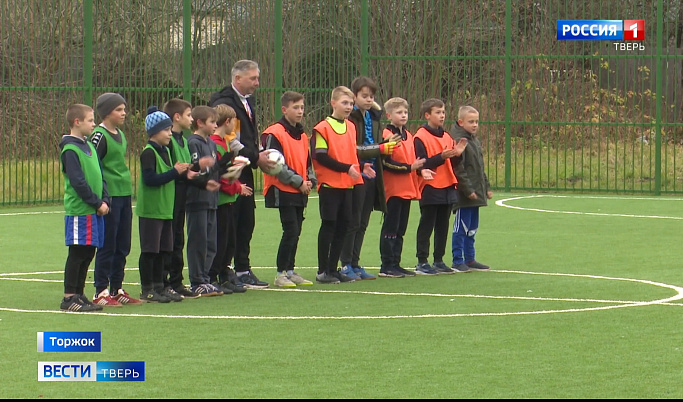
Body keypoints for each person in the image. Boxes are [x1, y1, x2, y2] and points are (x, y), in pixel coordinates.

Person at [209, 59, 277, 288]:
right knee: (231, 224)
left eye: (258, 77)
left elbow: (246, 136)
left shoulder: (247, 101)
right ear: (238, 78)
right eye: (253, 78)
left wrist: (258, 151)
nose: (258, 82)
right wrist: (257, 157)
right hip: (232, 169)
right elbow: (232, 141)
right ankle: (225, 271)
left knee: (246, 222)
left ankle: (241, 269)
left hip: (245, 166)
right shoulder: (223, 103)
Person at [340, 76, 400, 281]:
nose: (368, 100)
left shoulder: (371, 117)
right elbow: (352, 149)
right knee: (353, 221)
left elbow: (378, 112)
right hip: (357, 174)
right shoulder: (351, 117)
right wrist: (380, 148)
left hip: (373, 173)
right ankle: (345, 263)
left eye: (371, 96)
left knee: (363, 222)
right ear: (353, 96)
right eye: (364, 96)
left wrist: (383, 145)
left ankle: (355, 263)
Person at [312, 86, 374, 284]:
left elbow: (350, 155)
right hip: (330, 186)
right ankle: (323, 270)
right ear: (333, 103)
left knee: (343, 226)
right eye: (344, 103)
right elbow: (321, 157)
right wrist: (347, 168)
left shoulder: (351, 127)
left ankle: (333, 268)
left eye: (350, 103)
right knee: (329, 226)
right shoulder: (323, 127)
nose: (348, 107)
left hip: (347, 185)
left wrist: (361, 166)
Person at [90, 93, 141, 306]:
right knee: (107, 244)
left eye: (124, 109)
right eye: (119, 109)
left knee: (123, 244)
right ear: (107, 112)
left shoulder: (120, 133)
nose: (124, 113)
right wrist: (101, 197)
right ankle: (100, 291)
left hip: (124, 194)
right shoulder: (99, 136)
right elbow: (93, 165)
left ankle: (116, 287)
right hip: (109, 196)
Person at [261, 91, 315, 288]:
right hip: (282, 189)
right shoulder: (273, 133)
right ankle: (280, 273)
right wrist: (298, 181)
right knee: (290, 229)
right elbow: (276, 165)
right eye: (295, 107)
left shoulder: (302, 134)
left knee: (297, 229)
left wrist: (310, 180)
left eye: (302, 107)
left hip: (300, 189)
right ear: (284, 109)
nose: (300, 111)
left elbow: (307, 162)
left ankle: (291, 270)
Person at [59, 104, 109, 312]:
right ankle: (69, 297)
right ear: (77, 122)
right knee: (78, 252)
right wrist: (96, 202)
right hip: (81, 210)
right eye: (90, 120)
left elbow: (100, 175)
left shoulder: (88, 146)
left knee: (89, 252)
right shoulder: (70, 149)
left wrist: (105, 198)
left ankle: (79, 294)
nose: (94, 123)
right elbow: (78, 182)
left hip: (94, 210)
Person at [137, 107, 189, 302]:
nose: (169, 133)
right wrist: (175, 172)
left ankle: (160, 286)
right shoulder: (148, 153)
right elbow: (150, 179)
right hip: (152, 210)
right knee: (150, 251)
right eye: (166, 130)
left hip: (165, 209)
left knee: (164, 250)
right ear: (154, 132)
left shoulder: (165, 150)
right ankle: (147, 288)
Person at [413, 98, 468, 275]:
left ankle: (438, 260)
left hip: (447, 185)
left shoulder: (446, 136)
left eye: (443, 112)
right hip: (430, 185)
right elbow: (421, 164)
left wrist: (458, 155)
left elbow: (453, 162)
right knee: (427, 224)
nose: (442, 115)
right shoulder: (420, 137)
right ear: (427, 115)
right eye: (438, 112)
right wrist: (441, 157)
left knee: (443, 225)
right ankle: (422, 261)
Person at [378, 97, 425, 278]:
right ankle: (386, 264)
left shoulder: (409, 135)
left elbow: (411, 159)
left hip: (407, 188)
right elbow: (386, 163)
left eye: (405, 112)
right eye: (399, 112)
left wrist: (419, 171)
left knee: (401, 228)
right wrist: (408, 168)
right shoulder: (386, 135)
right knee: (390, 227)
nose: (403, 115)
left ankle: (396, 263)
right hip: (393, 188)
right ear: (389, 115)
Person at [162, 98, 201, 298]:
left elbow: (188, 168)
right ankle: (165, 281)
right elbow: (173, 169)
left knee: (178, 238)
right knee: (169, 239)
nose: (191, 118)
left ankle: (176, 282)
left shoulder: (183, 140)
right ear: (177, 117)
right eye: (188, 115)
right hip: (171, 194)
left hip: (182, 193)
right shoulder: (167, 142)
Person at [209, 104, 250, 294]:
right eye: (234, 121)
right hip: (221, 200)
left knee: (230, 241)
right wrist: (237, 187)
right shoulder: (215, 143)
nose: (235, 124)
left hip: (229, 200)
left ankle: (225, 274)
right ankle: (213, 276)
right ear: (227, 121)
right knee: (220, 241)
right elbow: (220, 175)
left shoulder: (225, 142)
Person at [186, 106, 223, 297]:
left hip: (211, 200)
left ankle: (205, 278)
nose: (215, 125)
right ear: (200, 122)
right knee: (198, 241)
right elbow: (195, 170)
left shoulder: (211, 143)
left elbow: (214, 169)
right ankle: (197, 280)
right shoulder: (193, 143)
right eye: (212, 122)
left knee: (210, 242)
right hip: (197, 200)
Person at [450, 106, 493, 272]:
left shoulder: (474, 140)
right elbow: (459, 169)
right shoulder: (459, 140)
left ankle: (470, 259)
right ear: (461, 122)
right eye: (471, 122)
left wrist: (486, 187)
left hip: (476, 192)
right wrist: (468, 190)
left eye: (476, 121)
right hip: (464, 194)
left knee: (472, 228)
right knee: (461, 228)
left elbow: (479, 168)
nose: (475, 125)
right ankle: (457, 259)